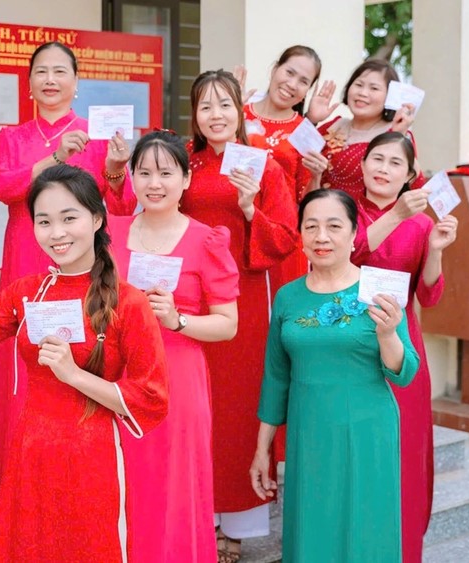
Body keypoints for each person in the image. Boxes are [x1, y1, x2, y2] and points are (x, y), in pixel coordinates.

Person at [0, 164, 168, 561]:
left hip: (93, 461)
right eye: (44, 221)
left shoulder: (129, 302)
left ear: (97, 218)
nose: (56, 233)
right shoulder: (27, 293)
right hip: (30, 458)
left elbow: (151, 397)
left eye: (69, 218)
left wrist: (73, 375)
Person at [0, 41, 137, 483]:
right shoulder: (12, 138)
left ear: (76, 83)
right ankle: (17, 479)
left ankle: (78, 476)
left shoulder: (98, 136)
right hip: (25, 263)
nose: (50, 80)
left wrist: (116, 166)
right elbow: (3, 188)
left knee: (82, 356)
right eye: (41, 72)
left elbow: (122, 205)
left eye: (60, 72)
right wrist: (55, 158)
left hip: (83, 270)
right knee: (22, 362)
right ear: (29, 84)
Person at [251, 188, 419, 563]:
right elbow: (276, 377)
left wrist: (387, 334)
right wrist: (263, 449)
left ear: (355, 233)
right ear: (300, 234)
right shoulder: (288, 297)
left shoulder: (379, 290)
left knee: (365, 526)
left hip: (367, 429)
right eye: (311, 226)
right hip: (308, 432)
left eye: (334, 226)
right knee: (312, 526)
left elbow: (405, 371)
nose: (321, 237)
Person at [179, 69, 298, 562]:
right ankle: (197, 515)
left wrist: (251, 209)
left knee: (238, 404)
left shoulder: (263, 165)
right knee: (194, 402)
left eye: (224, 104)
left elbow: (286, 237)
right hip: (189, 295)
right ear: (194, 114)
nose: (216, 115)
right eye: (205, 106)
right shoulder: (184, 161)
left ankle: (237, 523)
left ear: (240, 110)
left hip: (244, 297)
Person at [108, 131, 239, 563]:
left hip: (178, 376)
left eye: (165, 173)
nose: (154, 183)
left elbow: (227, 325)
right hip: (121, 374)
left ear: (186, 180)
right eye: (144, 173)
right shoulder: (111, 233)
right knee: (125, 479)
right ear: (132, 178)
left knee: (175, 482)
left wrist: (177, 320)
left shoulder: (206, 240)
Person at [350, 132, 458, 562]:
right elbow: (351, 253)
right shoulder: (341, 210)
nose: (383, 169)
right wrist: (395, 214)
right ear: (362, 164)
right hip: (347, 341)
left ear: (411, 175)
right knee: (356, 450)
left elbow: (429, 296)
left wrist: (436, 251)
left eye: (396, 163)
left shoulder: (424, 224)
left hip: (401, 347)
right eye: (377, 159)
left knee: (404, 451)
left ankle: (402, 547)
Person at [236, 45, 335, 293]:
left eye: (303, 81)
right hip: (235, 225)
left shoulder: (305, 131)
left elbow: (305, 200)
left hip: (281, 238)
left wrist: (316, 175)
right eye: (289, 72)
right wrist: (228, 106)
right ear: (274, 70)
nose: (292, 84)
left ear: (307, 91)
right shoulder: (237, 114)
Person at [304, 59, 423, 199]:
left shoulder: (398, 133)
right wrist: (311, 120)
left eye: (374, 88)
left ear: (390, 97)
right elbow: (293, 161)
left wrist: (398, 136)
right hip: (319, 209)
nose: (363, 93)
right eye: (359, 85)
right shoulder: (333, 126)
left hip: (367, 213)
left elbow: (416, 187)